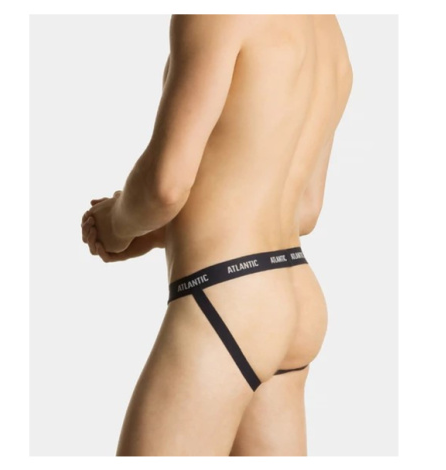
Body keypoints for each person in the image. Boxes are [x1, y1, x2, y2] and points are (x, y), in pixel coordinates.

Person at [80, 14, 353, 456]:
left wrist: (116, 225)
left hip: (228, 300)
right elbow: (305, 210)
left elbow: (165, 186)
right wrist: (158, 231)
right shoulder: (327, 29)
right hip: (294, 290)